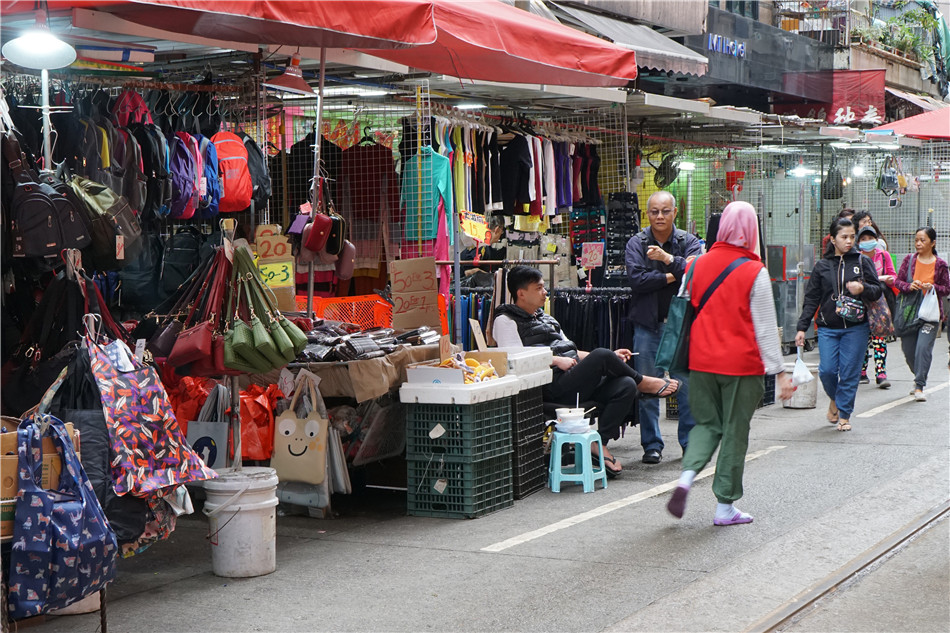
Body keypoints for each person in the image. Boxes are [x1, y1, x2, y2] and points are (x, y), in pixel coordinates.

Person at [666, 201, 794, 526]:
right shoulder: (755, 271)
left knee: (706, 425)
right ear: (753, 231)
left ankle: (686, 477)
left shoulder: (695, 265)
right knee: (735, 431)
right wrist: (779, 372)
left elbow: (684, 309)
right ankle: (725, 508)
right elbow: (765, 327)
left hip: (701, 361)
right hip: (741, 366)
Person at [492, 266, 678, 478]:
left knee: (625, 384)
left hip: (572, 380)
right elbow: (513, 359)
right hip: (549, 386)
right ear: (521, 293)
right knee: (603, 355)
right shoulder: (505, 320)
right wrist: (554, 360)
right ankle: (644, 382)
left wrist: (611, 358)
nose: (545, 292)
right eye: (539, 288)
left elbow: (571, 351)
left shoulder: (546, 318)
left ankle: (598, 443)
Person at [625, 191, 702, 464]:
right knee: (648, 386)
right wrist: (673, 275)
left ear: (674, 213)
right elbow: (636, 280)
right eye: (655, 211)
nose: (660, 216)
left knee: (687, 387)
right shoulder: (636, 243)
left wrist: (668, 260)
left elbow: (697, 273)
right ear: (647, 214)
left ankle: (689, 444)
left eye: (665, 211)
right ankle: (652, 445)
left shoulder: (688, 241)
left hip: (682, 327)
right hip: (647, 324)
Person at [795, 218, 883, 431]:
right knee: (827, 371)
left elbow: (877, 290)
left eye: (852, 237)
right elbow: (811, 299)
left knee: (850, 372)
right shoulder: (822, 267)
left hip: (856, 328)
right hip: (827, 328)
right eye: (844, 237)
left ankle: (844, 414)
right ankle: (835, 399)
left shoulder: (862, 262)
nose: (849, 241)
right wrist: (801, 327)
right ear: (833, 239)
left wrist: (862, 288)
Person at [893, 227, 949, 402]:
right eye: (916, 240)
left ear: (932, 243)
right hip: (909, 313)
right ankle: (918, 374)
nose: (918, 243)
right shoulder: (909, 260)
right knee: (909, 351)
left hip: (930, 314)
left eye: (922, 240)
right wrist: (909, 286)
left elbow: (946, 288)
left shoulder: (940, 264)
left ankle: (919, 385)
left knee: (923, 349)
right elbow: (897, 281)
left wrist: (931, 287)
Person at [856, 225, 896, 388]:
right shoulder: (856, 258)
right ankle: (862, 371)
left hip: (878, 301)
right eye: (863, 239)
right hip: (861, 301)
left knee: (879, 337)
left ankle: (881, 373)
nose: (867, 242)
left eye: (870, 238)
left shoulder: (884, 256)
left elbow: (893, 276)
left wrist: (887, 279)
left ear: (876, 240)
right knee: (862, 337)